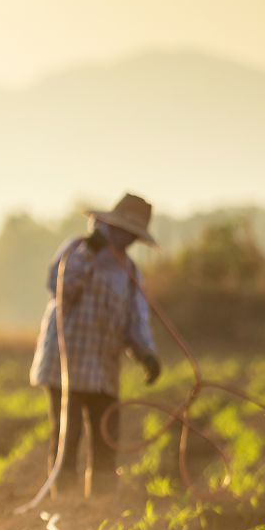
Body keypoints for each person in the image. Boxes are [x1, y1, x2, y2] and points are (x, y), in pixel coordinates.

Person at [29, 193, 162, 497]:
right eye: (124, 231)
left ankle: (99, 509)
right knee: (66, 436)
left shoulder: (129, 272)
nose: (127, 239)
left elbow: (135, 321)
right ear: (109, 225)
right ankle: (63, 506)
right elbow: (59, 287)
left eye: (133, 235)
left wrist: (146, 354)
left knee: (106, 438)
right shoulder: (75, 250)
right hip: (65, 363)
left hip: (103, 368)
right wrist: (89, 252)